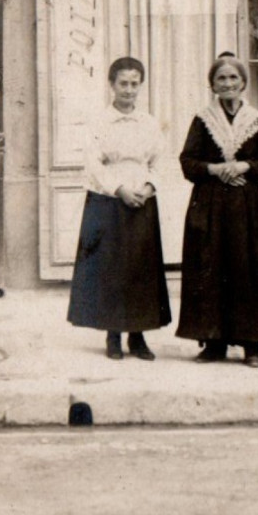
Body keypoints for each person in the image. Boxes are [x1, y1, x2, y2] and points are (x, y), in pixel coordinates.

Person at [175, 52, 258, 366]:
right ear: (212, 84)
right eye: (221, 78)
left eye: (233, 78)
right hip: (210, 207)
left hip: (247, 209)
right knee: (210, 269)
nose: (228, 83)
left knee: (249, 269)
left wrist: (245, 165)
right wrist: (215, 170)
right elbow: (188, 163)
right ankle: (213, 342)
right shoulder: (202, 120)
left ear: (244, 83)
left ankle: (253, 345)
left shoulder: (257, 121)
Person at [67, 56, 171, 360]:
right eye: (122, 83)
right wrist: (119, 190)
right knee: (111, 269)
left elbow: (160, 160)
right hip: (108, 201)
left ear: (141, 85)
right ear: (111, 85)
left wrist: (148, 188)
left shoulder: (149, 123)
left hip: (141, 200)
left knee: (140, 269)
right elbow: (92, 162)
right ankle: (113, 335)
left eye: (134, 83)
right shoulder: (99, 123)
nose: (128, 89)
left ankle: (137, 337)